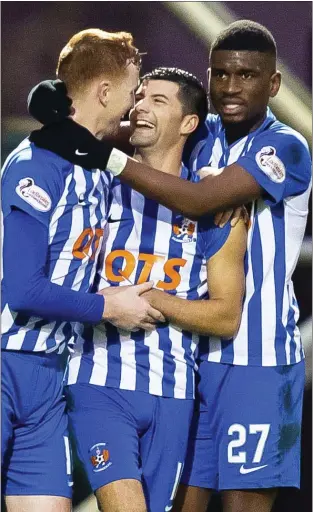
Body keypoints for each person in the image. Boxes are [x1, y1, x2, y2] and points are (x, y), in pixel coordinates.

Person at [27, 20, 312, 512]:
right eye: (220, 75)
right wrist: (67, 118)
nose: (230, 87)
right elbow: (142, 130)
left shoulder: (284, 145)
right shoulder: (206, 132)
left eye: (247, 76)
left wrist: (103, 156)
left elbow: (201, 200)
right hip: (191, 364)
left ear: (274, 83)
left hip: (257, 359)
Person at [64, 68, 246, 512]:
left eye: (158, 101)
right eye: (140, 96)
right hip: (99, 382)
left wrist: (156, 300)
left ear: (189, 123)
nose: (141, 106)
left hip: (174, 392)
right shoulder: (96, 189)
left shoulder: (214, 206)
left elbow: (226, 317)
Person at [1, 28, 165, 512]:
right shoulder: (34, 166)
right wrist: (108, 307)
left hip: (49, 376)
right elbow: (22, 289)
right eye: (134, 90)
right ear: (105, 91)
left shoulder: (95, 170)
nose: (136, 103)